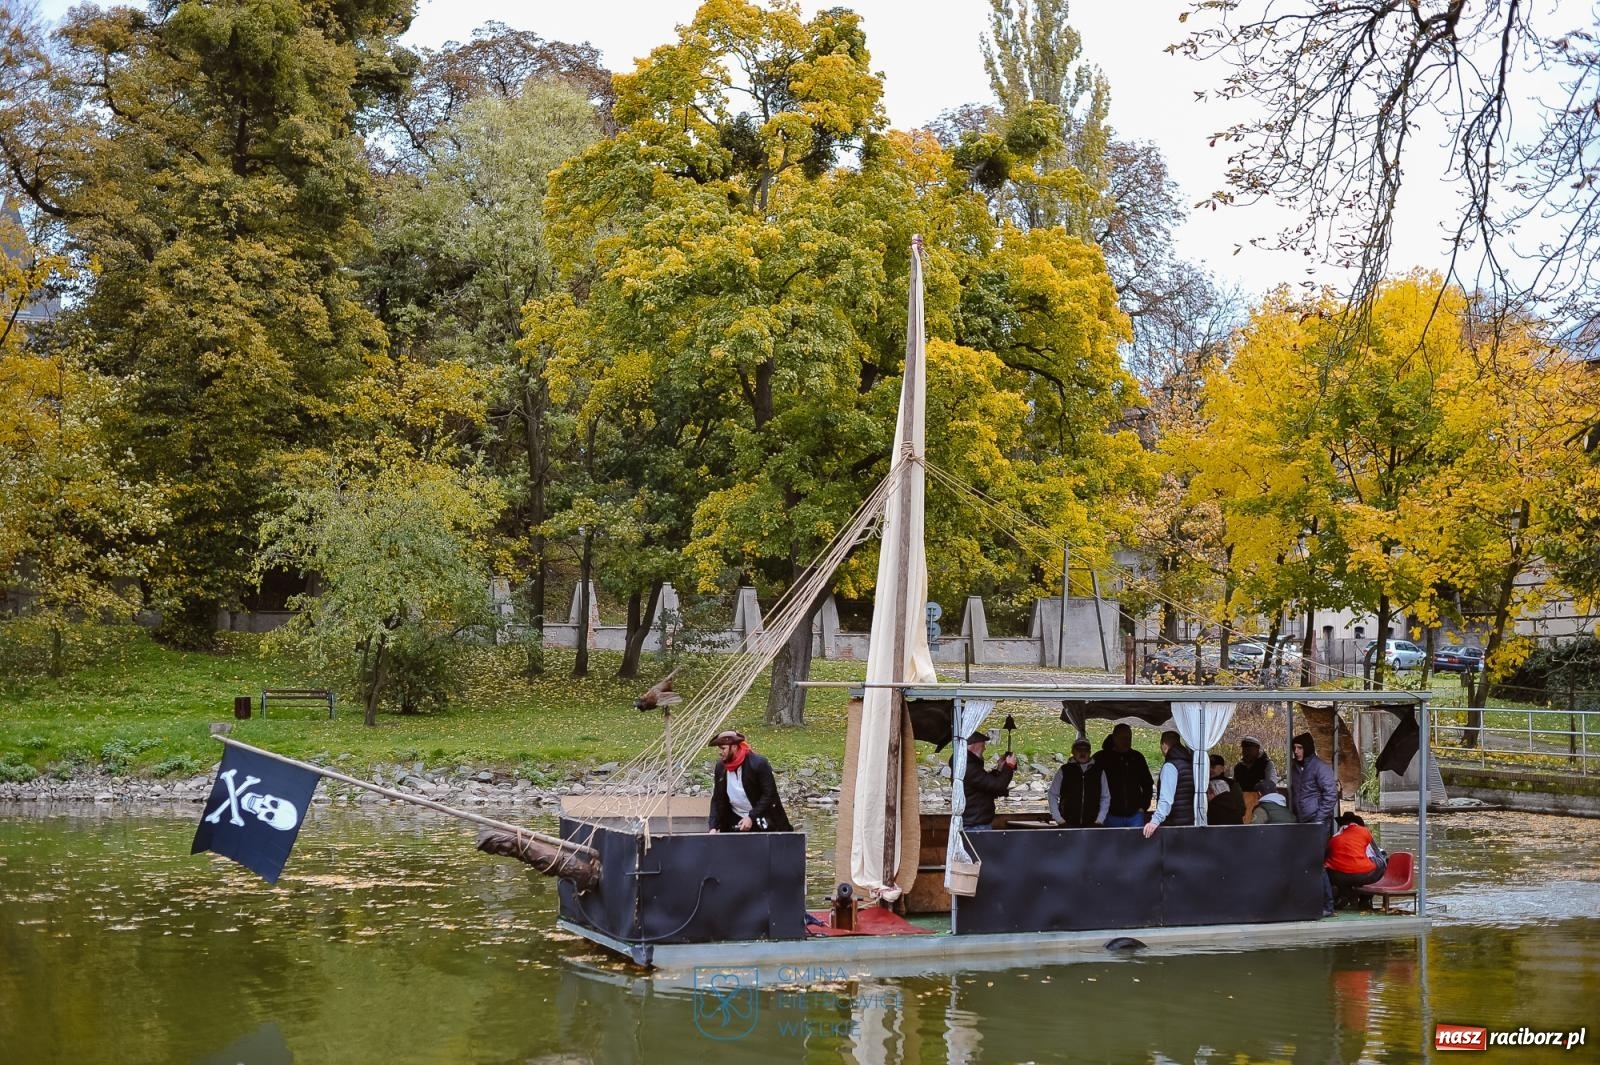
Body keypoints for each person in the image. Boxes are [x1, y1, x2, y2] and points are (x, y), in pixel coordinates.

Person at [707, 730, 792, 833]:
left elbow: (769, 794)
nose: (720, 752)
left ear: (734, 747)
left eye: (723, 749)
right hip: (735, 818)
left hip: (763, 816)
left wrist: (751, 817)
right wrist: (713, 826)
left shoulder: (758, 764)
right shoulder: (721, 767)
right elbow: (717, 798)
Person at [1323, 812, 1387, 916]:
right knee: (1381, 862)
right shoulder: (1364, 832)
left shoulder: (1334, 838)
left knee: (1331, 872)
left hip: (1338, 875)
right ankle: (1364, 899)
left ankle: (1347, 895)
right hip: (1363, 873)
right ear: (1357, 824)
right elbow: (1376, 852)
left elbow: (1327, 857)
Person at [952, 732, 1017, 831]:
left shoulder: (967, 764)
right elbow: (997, 786)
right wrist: (1009, 767)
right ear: (974, 746)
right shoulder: (967, 766)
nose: (984, 749)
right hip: (974, 825)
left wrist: (999, 770)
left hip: (975, 823)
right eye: (983, 745)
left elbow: (985, 784)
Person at [1095, 722, 1154, 828]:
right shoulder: (1101, 758)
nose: (1127, 741)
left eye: (1129, 738)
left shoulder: (1137, 757)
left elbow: (1147, 783)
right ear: (1114, 738)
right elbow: (1092, 785)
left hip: (1135, 815)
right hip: (1109, 814)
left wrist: (1143, 806)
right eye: (1123, 738)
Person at [1142, 730, 1199, 837]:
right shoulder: (1190, 763)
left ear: (1164, 745)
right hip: (1190, 821)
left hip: (1174, 825)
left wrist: (1155, 821)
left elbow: (1166, 799)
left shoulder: (1170, 766)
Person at [1049, 738, 1110, 826]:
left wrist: (1100, 819)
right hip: (1067, 823)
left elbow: (1105, 797)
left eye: (1085, 750)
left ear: (1090, 752)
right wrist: (1059, 819)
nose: (1082, 753)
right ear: (1073, 751)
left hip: (1093, 823)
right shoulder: (1064, 770)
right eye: (1079, 750)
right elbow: (1052, 794)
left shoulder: (1099, 771)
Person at [1290, 731, 1339, 831]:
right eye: (1294, 748)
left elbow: (1331, 794)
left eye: (1300, 748)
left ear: (1307, 748)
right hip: (1300, 820)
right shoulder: (1295, 768)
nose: (1296, 751)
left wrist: (1318, 818)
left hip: (1317, 822)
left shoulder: (1320, 767)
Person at [1206, 753, 1246, 825]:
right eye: (1207, 767)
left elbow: (1241, 808)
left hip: (1231, 824)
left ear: (1222, 768)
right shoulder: (1202, 784)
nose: (1209, 769)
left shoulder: (1232, 784)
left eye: (1213, 766)